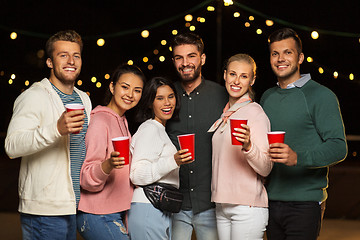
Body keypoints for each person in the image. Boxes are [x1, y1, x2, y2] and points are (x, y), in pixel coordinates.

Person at [260, 28, 347, 240]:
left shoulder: (321, 95)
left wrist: (298, 157)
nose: (280, 59)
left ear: (300, 57)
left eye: (287, 53)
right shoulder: (267, 97)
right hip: (269, 202)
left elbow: (339, 147)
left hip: (305, 203)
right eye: (275, 53)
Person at [4, 30, 91, 240]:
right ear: (50, 62)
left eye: (76, 55)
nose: (71, 61)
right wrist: (56, 129)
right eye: (63, 55)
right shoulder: (34, 96)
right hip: (44, 211)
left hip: (72, 206)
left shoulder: (83, 99)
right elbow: (12, 146)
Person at [166, 32, 228, 240]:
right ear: (173, 61)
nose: (185, 63)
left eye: (191, 56)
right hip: (174, 203)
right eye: (179, 57)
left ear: (202, 58)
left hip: (210, 203)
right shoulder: (165, 97)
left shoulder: (222, 96)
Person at [76, 64, 146, 239]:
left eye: (137, 90)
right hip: (97, 214)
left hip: (116, 212)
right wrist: (107, 165)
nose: (130, 94)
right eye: (125, 87)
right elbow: (85, 177)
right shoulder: (100, 120)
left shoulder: (122, 121)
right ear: (112, 86)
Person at [208, 53, 272, 240]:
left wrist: (249, 145)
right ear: (225, 75)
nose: (236, 81)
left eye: (244, 76)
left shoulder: (255, 113)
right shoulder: (225, 115)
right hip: (222, 205)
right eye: (233, 74)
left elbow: (266, 167)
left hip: (247, 207)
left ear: (252, 80)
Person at [128, 76, 193, 239]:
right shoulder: (150, 128)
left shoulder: (159, 130)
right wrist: (174, 161)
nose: (167, 103)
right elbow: (137, 174)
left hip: (158, 207)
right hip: (148, 207)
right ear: (150, 103)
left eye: (171, 96)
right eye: (160, 98)